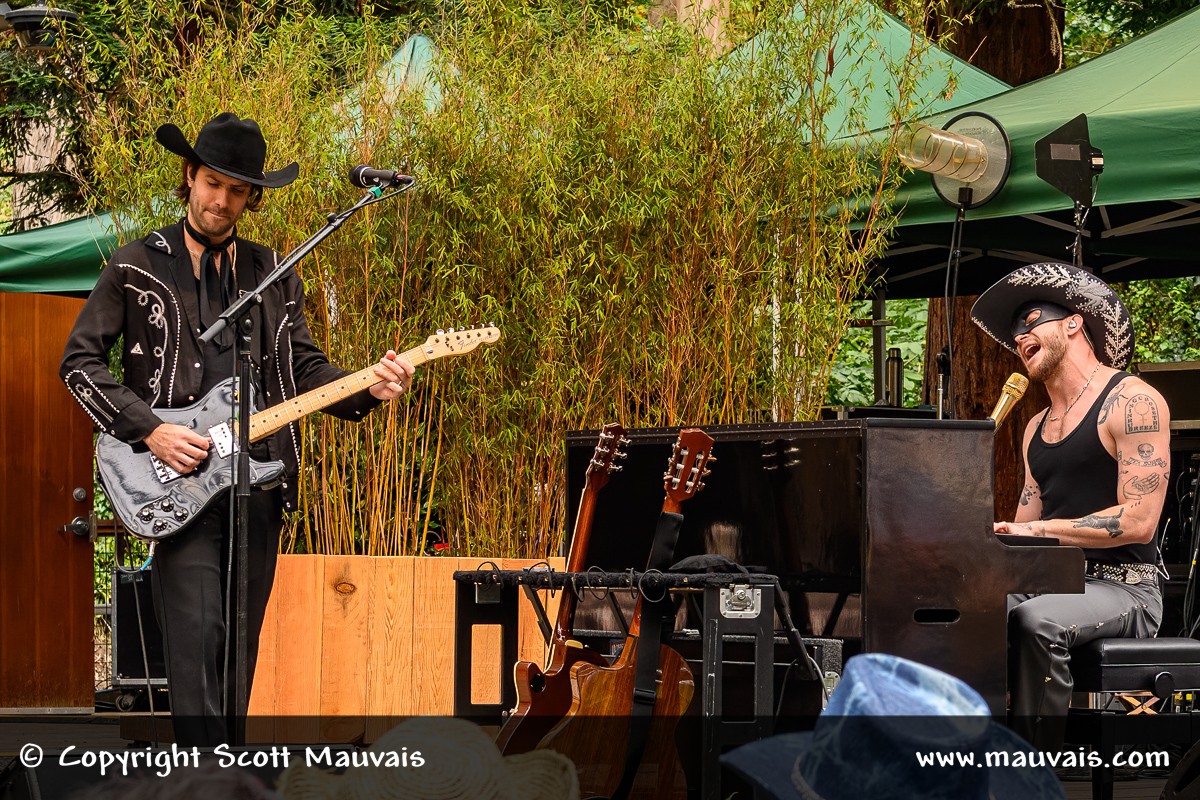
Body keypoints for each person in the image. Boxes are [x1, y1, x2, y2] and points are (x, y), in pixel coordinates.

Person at [60, 112, 415, 746]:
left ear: (250, 197)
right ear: (189, 177)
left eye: (236, 191)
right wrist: (150, 432)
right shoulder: (136, 264)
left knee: (238, 651)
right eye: (212, 184)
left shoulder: (272, 273)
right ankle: (199, 777)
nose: (221, 201)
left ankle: (228, 776)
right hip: (177, 481)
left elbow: (302, 368)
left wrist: (370, 387)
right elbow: (79, 363)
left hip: (257, 485)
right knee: (198, 643)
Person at [969, 261, 1170, 750]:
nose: (1021, 336)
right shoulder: (1035, 427)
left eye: (1032, 320)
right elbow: (1023, 529)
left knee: (1037, 620)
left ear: (1075, 322)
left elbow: (1140, 521)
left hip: (1129, 591)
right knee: (964, 611)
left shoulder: (1133, 402)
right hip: (1058, 582)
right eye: (1015, 333)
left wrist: (1040, 533)